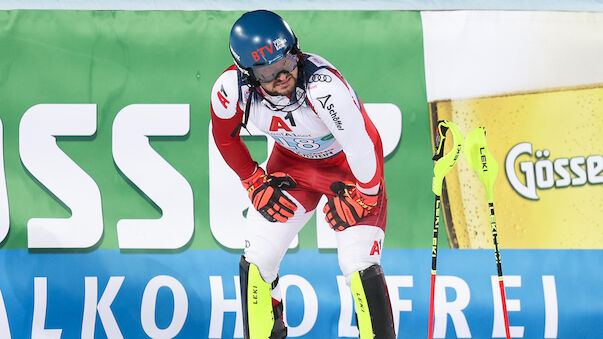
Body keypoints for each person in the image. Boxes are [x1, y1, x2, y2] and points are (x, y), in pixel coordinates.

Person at [210, 10, 396, 339]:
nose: (283, 74)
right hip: (292, 167)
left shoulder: (325, 88)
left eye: (288, 60)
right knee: (257, 260)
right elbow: (225, 136)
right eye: (268, 70)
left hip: (352, 169)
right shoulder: (229, 89)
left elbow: (362, 144)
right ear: (247, 73)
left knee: (358, 263)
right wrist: (252, 179)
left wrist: (366, 194)